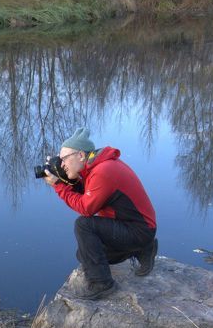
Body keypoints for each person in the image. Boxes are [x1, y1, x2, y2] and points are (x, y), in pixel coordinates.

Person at [44, 127, 158, 300]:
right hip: (130, 226)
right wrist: (65, 178)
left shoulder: (103, 171)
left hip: (139, 230)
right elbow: (89, 193)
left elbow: (86, 208)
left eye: (64, 159)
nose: (62, 164)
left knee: (83, 225)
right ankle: (143, 249)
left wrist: (59, 186)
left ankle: (102, 284)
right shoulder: (95, 166)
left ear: (80, 155)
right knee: (85, 255)